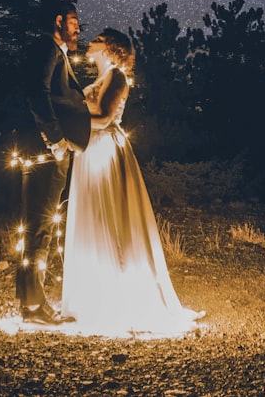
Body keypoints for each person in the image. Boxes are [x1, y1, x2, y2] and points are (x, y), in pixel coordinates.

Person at [60, 28, 201, 336]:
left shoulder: (117, 77)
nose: (90, 41)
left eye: (98, 39)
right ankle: (93, 294)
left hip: (104, 151)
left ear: (111, 48)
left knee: (109, 217)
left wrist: (67, 122)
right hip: (89, 150)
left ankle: (118, 295)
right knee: (93, 219)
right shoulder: (100, 78)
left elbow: (105, 116)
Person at [18, 0, 91, 326]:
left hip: (49, 152)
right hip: (49, 153)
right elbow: (36, 93)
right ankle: (34, 308)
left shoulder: (56, 52)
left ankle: (30, 303)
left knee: (39, 225)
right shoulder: (48, 49)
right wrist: (56, 140)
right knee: (41, 226)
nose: (78, 26)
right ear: (59, 20)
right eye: (74, 20)